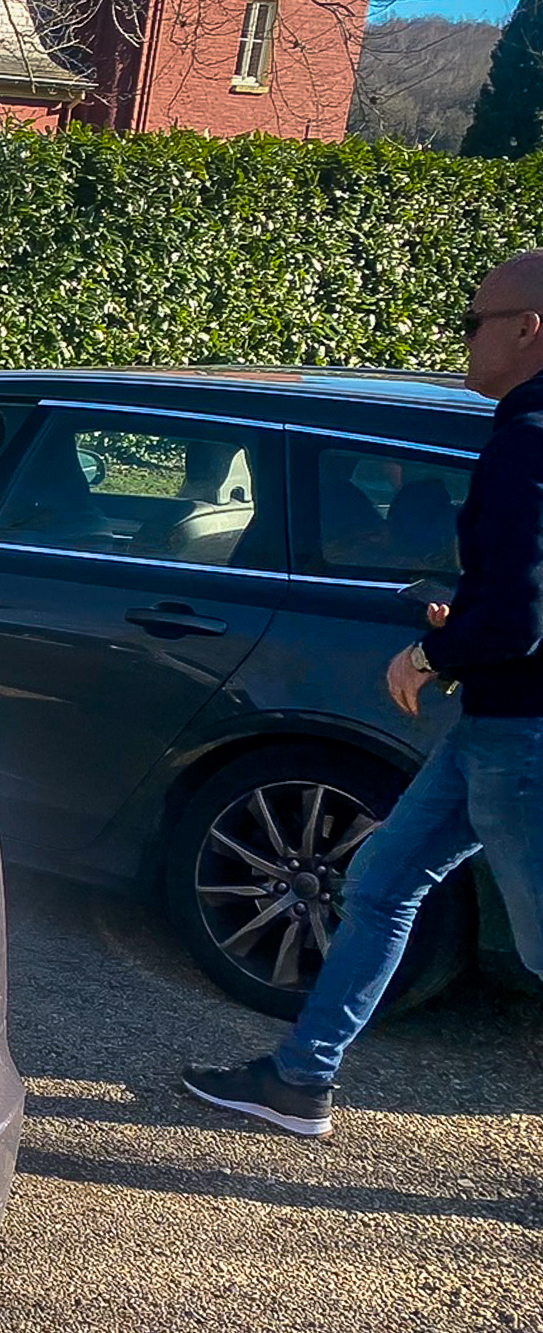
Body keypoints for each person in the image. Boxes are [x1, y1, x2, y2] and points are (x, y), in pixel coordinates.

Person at [183, 249, 543, 1137]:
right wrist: (467, 615)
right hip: (493, 729)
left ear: (530, 328)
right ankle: (301, 1081)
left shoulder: (527, 441)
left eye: (473, 323)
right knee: (381, 882)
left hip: (523, 735)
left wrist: (430, 653)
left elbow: (520, 618)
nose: (462, 342)